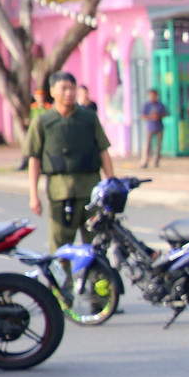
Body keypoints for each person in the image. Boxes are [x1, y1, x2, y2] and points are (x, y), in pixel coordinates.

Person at [25, 71, 115, 251]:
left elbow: (103, 152)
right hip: (60, 193)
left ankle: (97, 271)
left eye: (72, 88)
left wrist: (111, 184)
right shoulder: (42, 122)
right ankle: (62, 272)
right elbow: (34, 159)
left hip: (90, 190)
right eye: (64, 88)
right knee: (60, 249)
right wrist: (33, 195)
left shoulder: (89, 118)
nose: (69, 93)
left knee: (96, 247)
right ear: (52, 91)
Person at [140, 88, 167, 169]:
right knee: (147, 145)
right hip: (149, 127)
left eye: (154, 95)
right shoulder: (146, 105)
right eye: (151, 95)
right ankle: (145, 161)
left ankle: (156, 161)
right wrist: (151, 117)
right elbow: (142, 115)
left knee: (158, 146)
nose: (153, 97)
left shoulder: (160, 105)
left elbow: (165, 113)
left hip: (159, 127)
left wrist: (158, 116)